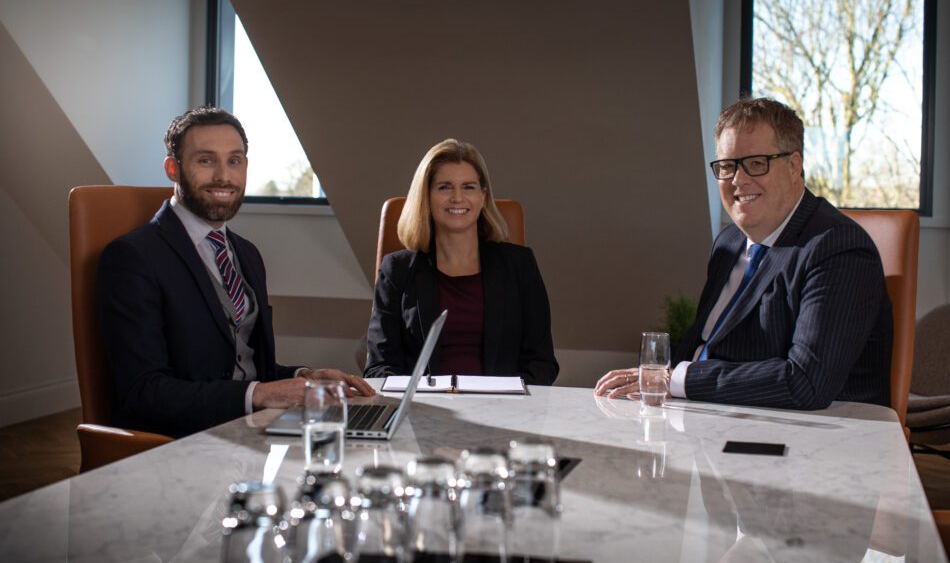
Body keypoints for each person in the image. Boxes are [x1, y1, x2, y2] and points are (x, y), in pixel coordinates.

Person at [596, 97, 892, 409]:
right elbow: (707, 345)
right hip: (705, 416)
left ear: (794, 166)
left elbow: (805, 382)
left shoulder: (837, 248)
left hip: (814, 437)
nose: (738, 179)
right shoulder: (728, 243)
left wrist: (677, 380)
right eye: (727, 166)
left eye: (756, 163)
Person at [97, 106, 374, 438]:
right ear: (173, 168)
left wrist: (305, 376)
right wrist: (261, 395)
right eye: (205, 160)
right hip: (187, 442)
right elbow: (143, 393)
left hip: (252, 429)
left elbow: (245, 367)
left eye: (235, 160)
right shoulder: (133, 257)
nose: (223, 176)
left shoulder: (246, 253)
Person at [365, 139, 559, 385]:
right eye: (445, 187)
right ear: (426, 196)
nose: (457, 198)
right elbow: (379, 367)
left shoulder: (520, 264)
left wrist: (509, 403)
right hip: (422, 412)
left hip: (503, 412)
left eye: (468, 187)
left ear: (482, 196)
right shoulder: (397, 270)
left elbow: (541, 363)